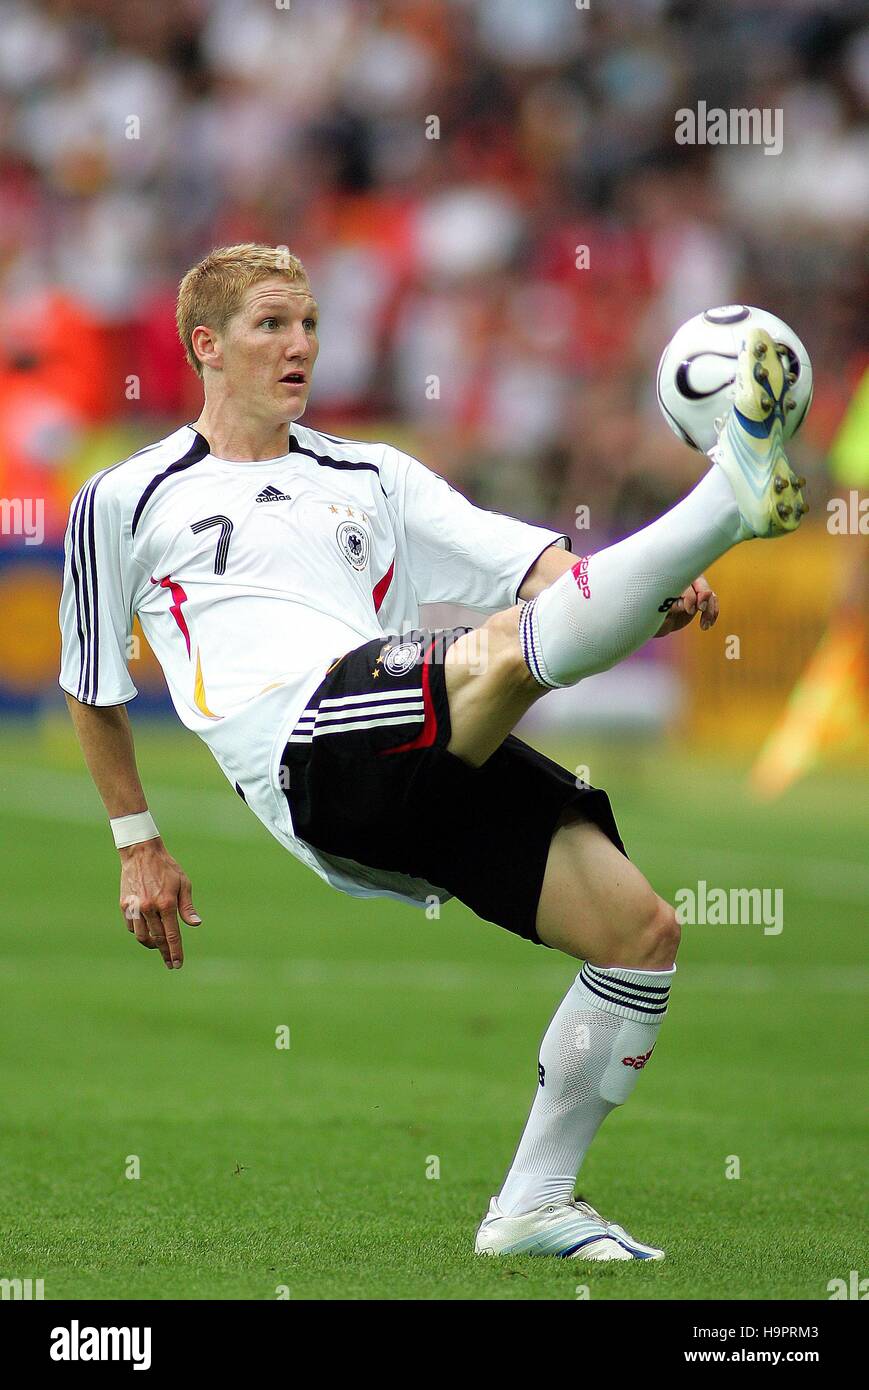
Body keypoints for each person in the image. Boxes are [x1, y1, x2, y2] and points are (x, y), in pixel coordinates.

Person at [59, 243, 807, 1261]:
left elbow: (533, 562)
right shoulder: (126, 496)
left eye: (310, 324)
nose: (300, 345)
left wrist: (637, 594)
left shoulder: (372, 472)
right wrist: (135, 842)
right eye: (271, 325)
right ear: (206, 345)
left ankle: (531, 1206)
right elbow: (92, 683)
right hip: (304, 750)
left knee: (638, 932)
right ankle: (724, 499)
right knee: (498, 658)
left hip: (414, 740)